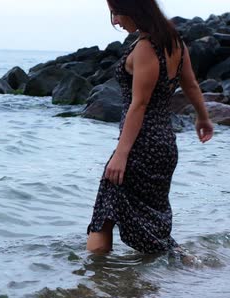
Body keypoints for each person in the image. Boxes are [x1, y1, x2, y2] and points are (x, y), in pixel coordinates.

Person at [86, 0, 214, 254]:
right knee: (151, 218)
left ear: (135, 10)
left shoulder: (146, 48)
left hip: (140, 146)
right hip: (164, 145)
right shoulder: (174, 42)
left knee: (104, 215)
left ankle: (94, 282)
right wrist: (203, 118)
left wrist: (121, 154)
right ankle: (177, 265)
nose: (115, 21)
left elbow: (140, 104)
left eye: (117, 13)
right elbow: (190, 85)